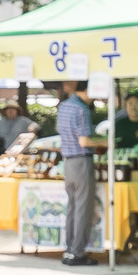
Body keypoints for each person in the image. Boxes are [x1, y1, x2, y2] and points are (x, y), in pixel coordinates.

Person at [54, 80, 107, 265]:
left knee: (72, 207)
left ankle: (69, 248)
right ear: (87, 90)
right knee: (83, 208)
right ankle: (77, 252)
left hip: (68, 162)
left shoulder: (64, 106)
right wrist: (106, 142)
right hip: (82, 161)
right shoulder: (81, 109)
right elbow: (84, 141)